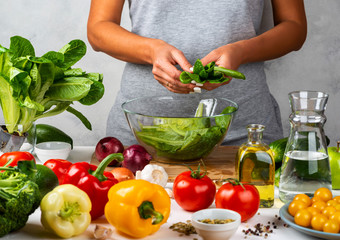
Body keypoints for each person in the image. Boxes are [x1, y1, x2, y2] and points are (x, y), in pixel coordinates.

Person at [87, 0, 307, 146]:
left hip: (243, 133)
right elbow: (98, 27)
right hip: (142, 133)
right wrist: (151, 51)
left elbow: (294, 27)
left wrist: (241, 51)